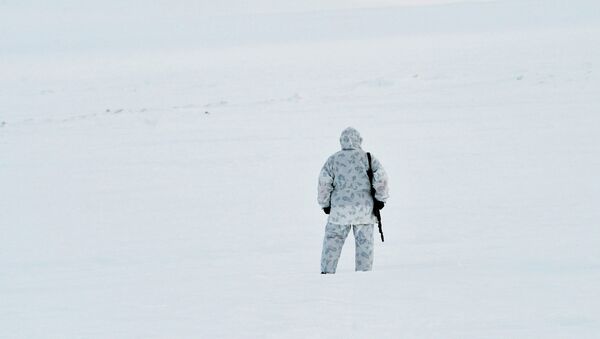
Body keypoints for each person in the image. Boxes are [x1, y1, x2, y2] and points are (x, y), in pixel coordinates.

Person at [318, 127, 389, 274]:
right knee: (365, 245)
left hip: (339, 211)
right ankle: (364, 274)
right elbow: (381, 178)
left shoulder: (333, 159)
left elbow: (324, 183)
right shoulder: (368, 158)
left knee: (332, 241)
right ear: (359, 140)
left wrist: (325, 204)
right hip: (364, 210)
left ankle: (327, 272)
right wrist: (381, 199)